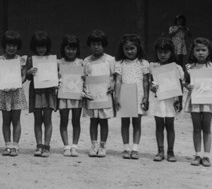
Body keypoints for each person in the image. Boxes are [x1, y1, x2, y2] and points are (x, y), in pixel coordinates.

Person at [184, 37, 212, 167]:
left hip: (209, 101)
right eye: (197, 50)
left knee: (207, 128)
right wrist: (186, 86)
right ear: (192, 52)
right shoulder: (189, 67)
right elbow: (186, 82)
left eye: (203, 50)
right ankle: (197, 154)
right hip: (194, 100)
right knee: (196, 128)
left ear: (209, 51)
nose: (200, 53)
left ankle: (206, 156)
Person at [113, 34, 150, 160]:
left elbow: (145, 81)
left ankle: (135, 148)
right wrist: (117, 96)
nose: (129, 51)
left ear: (138, 48)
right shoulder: (119, 64)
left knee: (137, 123)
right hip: (124, 94)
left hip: (138, 95)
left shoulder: (143, 63)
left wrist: (146, 96)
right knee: (124, 123)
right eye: (126, 49)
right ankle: (126, 148)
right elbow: (118, 80)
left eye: (132, 48)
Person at [148, 37, 184, 162]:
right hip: (158, 100)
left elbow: (179, 86)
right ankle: (160, 151)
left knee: (170, 125)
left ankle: (171, 151)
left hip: (170, 100)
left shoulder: (177, 68)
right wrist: (152, 87)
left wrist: (180, 100)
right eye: (160, 52)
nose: (162, 55)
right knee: (159, 125)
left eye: (166, 52)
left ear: (171, 53)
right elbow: (150, 83)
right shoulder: (153, 66)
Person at [83, 29, 115, 158]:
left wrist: (112, 84)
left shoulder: (110, 60)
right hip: (92, 96)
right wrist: (85, 91)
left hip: (104, 95)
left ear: (104, 45)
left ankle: (102, 146)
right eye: (94, 44)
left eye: (99, 44)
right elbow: (83, 78)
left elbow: (114, 76)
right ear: (90, 45)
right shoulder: (86, 61)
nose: (96, 47)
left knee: (104, 122)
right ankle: (94, 145)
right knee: (93, 121)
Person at [0, 30, 27, 157]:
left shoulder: (21, 60)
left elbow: (24, 76)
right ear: (4, 45)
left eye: (14, 45)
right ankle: (7, 145)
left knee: (16, 120)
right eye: (9, 45)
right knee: (6, 120)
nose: (11, 48)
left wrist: (18, 82)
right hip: (4, 93)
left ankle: (15, 145)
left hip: (16, 93)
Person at [26, 31, 58, 157]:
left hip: (49, 92)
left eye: (43, 46)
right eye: (38, 46)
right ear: (34, 46)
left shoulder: (52, 60)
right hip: (36, 92)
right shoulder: (30, 60)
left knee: (48, 119)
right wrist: (29, 72)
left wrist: (57, 78)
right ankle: (39, 145)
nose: (41, 49)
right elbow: (27, 77)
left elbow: (57, 76)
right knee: (37, 119)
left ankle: (47, 145)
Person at [57, 34, 84, 157]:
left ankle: (74, 146)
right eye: (68, 48)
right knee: (63, 120)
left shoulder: (81, 63)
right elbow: (54, 78)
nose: (70, 51)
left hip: (77, 96)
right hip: (63, 96)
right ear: (63, 49)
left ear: (77, 50)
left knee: (76, 120)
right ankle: (66, 146)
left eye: (73, 49)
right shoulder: (58, 62)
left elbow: (86, 78)